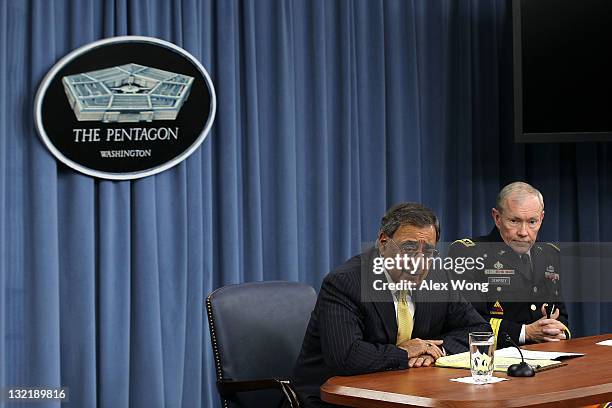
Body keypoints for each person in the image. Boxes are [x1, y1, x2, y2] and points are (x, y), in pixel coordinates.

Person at [292, 202, 490, 408]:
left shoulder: (438, 278)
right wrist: (404, 353)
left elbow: (479, 330)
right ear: (383, 242)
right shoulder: (346, 283)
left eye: (428, 251)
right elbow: (346, 357)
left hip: (408, 393)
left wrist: (433, 351)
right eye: (409, 248)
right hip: (338, 398)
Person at [448, 182, 570, 348]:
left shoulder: (549, 253)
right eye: (514, 221)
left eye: (532, 222)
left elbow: (561, 314)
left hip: (547, 353)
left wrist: (558, 330)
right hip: (495, 356)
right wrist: (524, 332)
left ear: (541, 218)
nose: (523, 232)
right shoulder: (468, 253)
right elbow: (467, 321)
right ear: (497, 218)